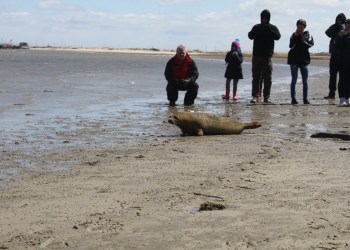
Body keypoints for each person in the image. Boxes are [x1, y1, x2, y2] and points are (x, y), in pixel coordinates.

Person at [248, 9, 281, 103]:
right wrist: (257, 31)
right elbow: (250, 36)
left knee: (268, 77)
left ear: (269, 18)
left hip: (267, 57)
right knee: (256, 77)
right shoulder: (257, 27)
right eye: (263, 17)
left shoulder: (272, 27)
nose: (264, 19)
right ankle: (255, 96)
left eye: (266, 18)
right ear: (261, 18)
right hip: (256, 56)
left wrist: (269, 29)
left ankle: (267, 97)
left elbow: (278, 36)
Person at [287, 19, 314, 105]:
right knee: (294, 80)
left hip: (304, 60)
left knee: (305, 81)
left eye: (302, 27)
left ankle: (305, 99)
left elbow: (310, 44)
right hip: (294, 60)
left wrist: (301, 37)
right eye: (298, 27)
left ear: (304, 27)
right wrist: (296, 36)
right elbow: (290, 45)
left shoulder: (308, 35)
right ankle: (293, 99)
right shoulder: (293, 35)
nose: (300, 28)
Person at [324, 13, 346, 99]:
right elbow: (327, 33)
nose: (339, 21)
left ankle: (343, 95)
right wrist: (336, 26)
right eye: (337, 20)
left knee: (343, 76)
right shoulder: (334, 27)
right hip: (334, 55)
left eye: (340, 20)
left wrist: (341, 27)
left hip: (343, 57)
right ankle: (331, 93)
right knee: (332, 75)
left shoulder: (345, 28)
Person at [335, 18, 350, 106]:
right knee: (342, 79)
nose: (348, 25)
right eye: (347, 23)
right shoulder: (341, 33)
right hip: (342, 60)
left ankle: (347, 98)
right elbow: (336, 44)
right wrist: (340, 35)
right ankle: (341, 98)